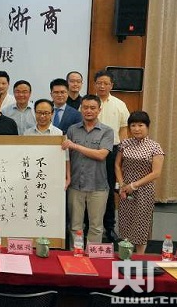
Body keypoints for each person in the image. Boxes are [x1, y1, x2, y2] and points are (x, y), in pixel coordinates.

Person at [62, 94, 114, 244]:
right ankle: (75, 254)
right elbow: (66, 157)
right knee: (75, 226)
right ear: (81, 109)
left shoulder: (107, 131)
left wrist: (75, 146)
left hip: (98, 186)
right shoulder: (72, 130)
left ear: (99, 110)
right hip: (75, 185)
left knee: (96, 227)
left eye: (92, 108)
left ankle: (93, 256)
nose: (88, 111)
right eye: (85, 107)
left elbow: (101, 155)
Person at [115, 111, 164, 254]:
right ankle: (125, 255)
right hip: (125, 190)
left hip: (144, 191)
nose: (136, 129)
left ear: (147, 126)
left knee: (141, 224)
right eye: (133, 125)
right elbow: (117, 165)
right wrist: (122, 184)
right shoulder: (124, 144)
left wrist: (134, 185)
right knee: (125, 222)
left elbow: (156, 173)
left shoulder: (154, 147)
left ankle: (139, 258)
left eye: (140, 125)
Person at [94, 70, 130, 242]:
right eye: (99, 83)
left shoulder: (119, 104)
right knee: (88, 189)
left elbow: (123, 129)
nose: (102, 86)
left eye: (106, 83)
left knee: (108, 189)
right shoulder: (88, 102)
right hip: (89, 150)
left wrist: (122, 152)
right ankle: (89, 225)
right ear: (94, 85)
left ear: (111, 85)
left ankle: (109, 227)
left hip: (112, 151)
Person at [25, 99, 70, 190]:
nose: (42, 116)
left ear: (52, 114)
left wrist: (68, 177)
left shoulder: (59, 133)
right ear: (35, 112)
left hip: (53, 176)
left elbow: (66, 158)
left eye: (46, 113)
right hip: (32, 176)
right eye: (39, 112)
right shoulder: (27, 133)